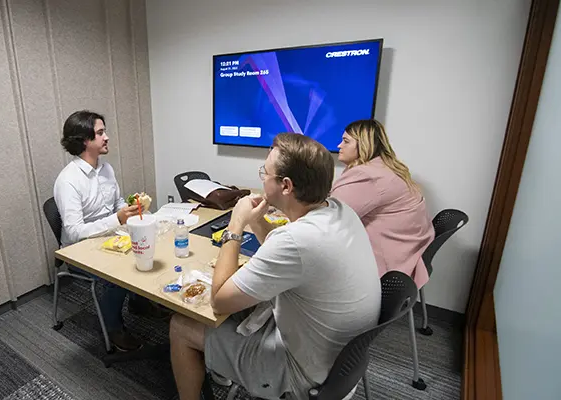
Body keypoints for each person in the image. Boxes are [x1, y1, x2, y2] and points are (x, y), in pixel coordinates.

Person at [169, 133, 381, 399]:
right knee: (245, 309)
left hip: (302, 374)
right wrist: (256, 222)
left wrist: (235, 225)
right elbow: (290, 254)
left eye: (265, 173)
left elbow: (219, 301)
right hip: (339, 364)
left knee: (181, 325)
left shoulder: (296, 240)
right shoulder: (339, 210)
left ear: (286, 186)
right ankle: (220, 365)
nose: (262, 178)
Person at [54, 110, 158, 351]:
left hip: (109, 239)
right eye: (100, 133)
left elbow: (117, 203)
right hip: (78, 250)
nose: (107, 137)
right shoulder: (68, 181)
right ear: (84, 141)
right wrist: (117, 219)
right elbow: (73, 232)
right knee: (118, 274)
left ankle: (138, 303)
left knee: (147, 246)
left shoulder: (106, 169)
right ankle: (113, 329)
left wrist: (130, 209)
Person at [331, 119, 435, 289]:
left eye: (346, 141)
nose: (339, 145)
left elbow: (329, 219)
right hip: (407, 253)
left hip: (387, 266)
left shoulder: (368, 176)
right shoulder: (387, 168)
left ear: (364, 145)